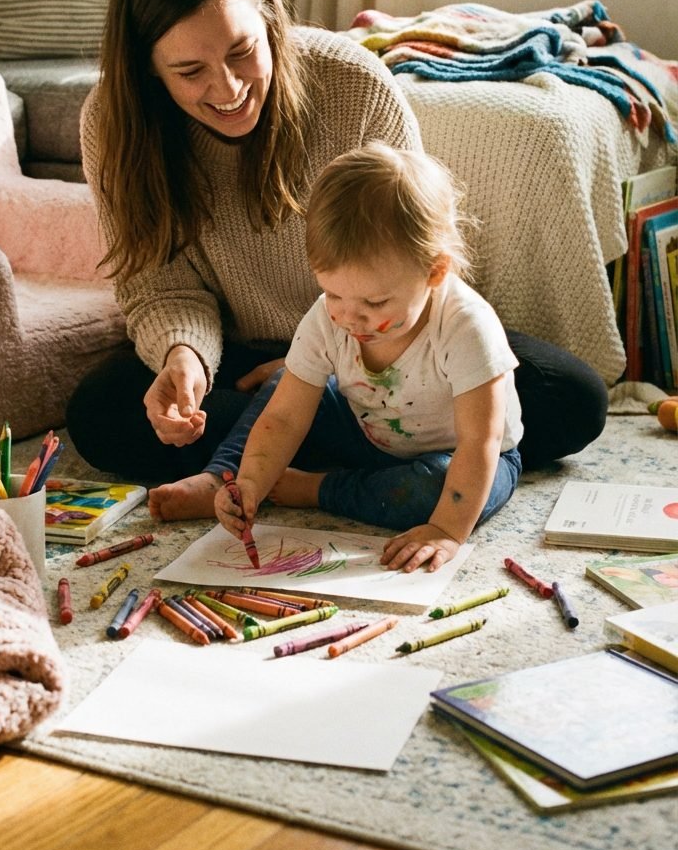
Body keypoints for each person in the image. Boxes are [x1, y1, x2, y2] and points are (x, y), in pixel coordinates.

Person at [66, 0, 608, 515]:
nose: (228, 88)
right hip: (237, 357)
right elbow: (157, 287)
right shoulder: (112, 125)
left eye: (243, 52)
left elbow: (414, 254)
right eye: (190, 71)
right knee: (101, 412)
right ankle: (364, 460)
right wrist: (184, 360)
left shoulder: (351, 83)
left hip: (383, 338)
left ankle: (305, 463)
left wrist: (332, 358)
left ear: (270, 24)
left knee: (572, 398)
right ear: (148, 67)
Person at [215, 142, 524, 572]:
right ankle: (229, 479)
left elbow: (479, 443)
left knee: (425, 493)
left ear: (434, 271)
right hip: (369, 433)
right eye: (333, 293)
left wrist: (446, 530)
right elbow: (284, 419)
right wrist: (251, 480)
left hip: (465, 458)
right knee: (284, 386)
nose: (349, 318)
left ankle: (315, 489)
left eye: (375, 303)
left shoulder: (467, 326)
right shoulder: (328, 317)